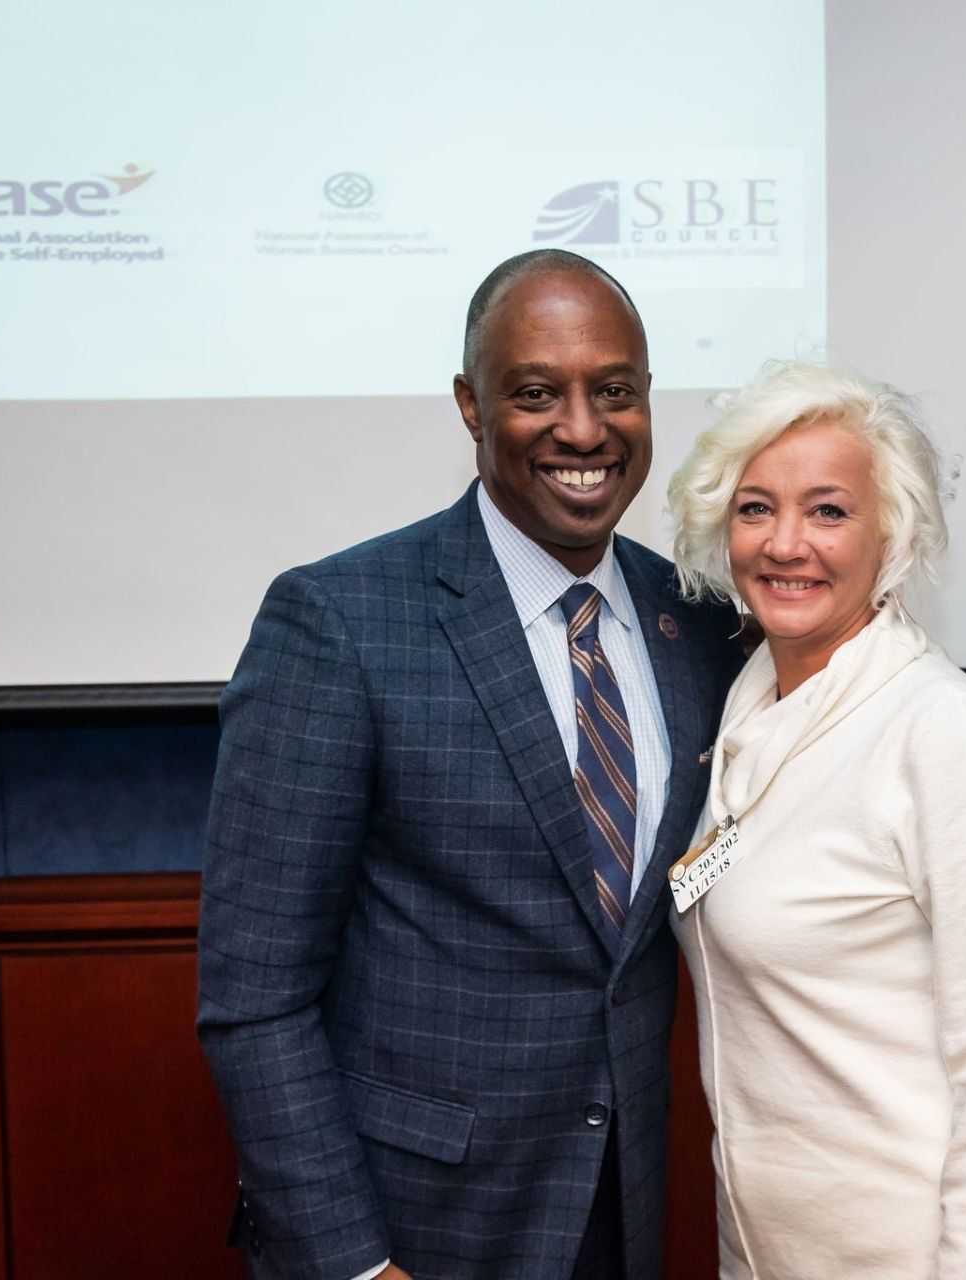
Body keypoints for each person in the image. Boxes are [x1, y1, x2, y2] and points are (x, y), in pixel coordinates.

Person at [197, 249, 741, 1280]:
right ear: (470, 404)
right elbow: (253, 996)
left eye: (614, 391)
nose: (583, 430)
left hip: (620, 1209)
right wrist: (353, 1263)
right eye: (537, 393)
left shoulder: (701, 626)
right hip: (413, 1227)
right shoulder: (340, 621)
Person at [662, 360, 966, 1278]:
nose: (786, 544)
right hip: (776, 1251)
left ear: (890, 535)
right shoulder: (748, 710)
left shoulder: (947, 738)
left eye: (828, 510)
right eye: (755, 508)